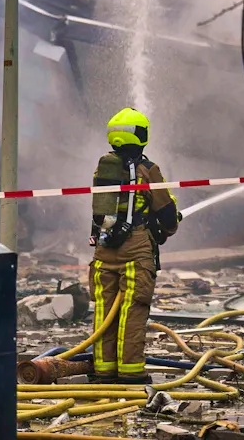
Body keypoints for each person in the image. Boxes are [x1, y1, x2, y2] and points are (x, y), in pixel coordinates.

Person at [88, 108, 180, 384]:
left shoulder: (103, 168)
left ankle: (104, 370)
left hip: (103, 249)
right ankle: (130, 372)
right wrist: (169, 226)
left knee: (105, 309)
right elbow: (166, 213)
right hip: (135, 248)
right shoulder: (147, 170)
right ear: (142, 135)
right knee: (132, 309)